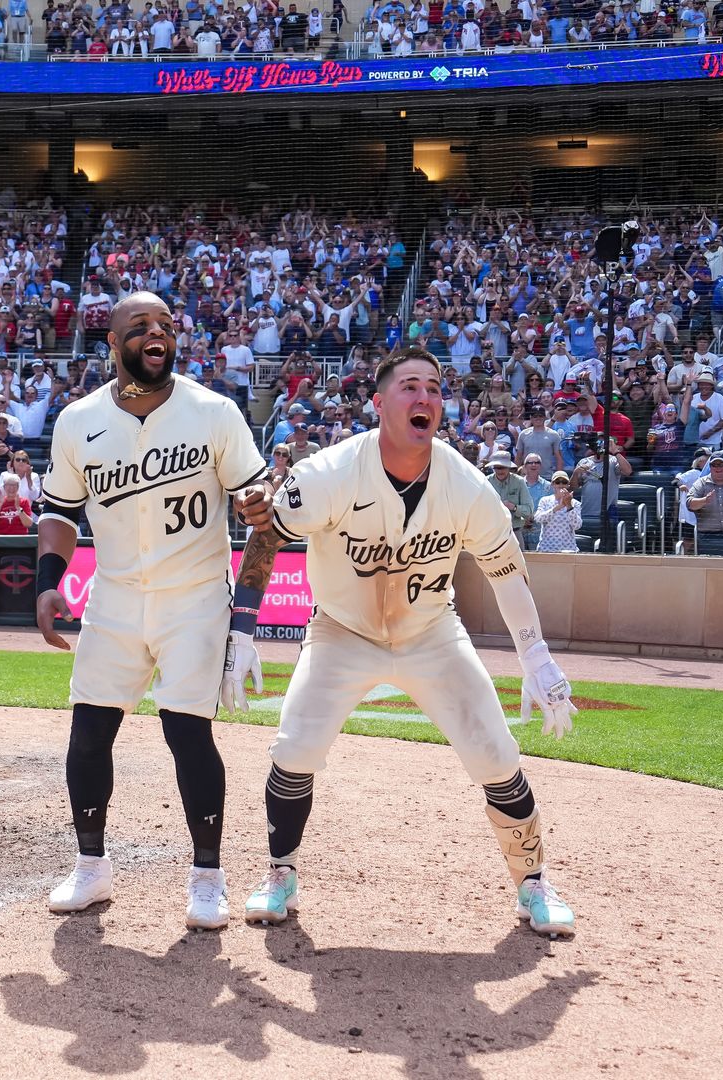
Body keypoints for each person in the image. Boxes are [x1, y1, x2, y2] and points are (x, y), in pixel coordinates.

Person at [229, 347, 580, 937]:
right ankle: (280, 873)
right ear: (379, 403)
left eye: (435, 390)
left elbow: (507, 575)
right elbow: (266, 535)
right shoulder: (331, 471)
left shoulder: (466, 485)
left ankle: (533, 882)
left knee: (496, 754)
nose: (425, 398)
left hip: (430, 631)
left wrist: (537, 659)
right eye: (410, 387)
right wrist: (240, 630)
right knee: (294, 749)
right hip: (340, 630)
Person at [33, 291, 269, 930]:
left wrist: (244, 618)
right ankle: (91, 866)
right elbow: (57, 512)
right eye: (139, 326)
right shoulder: (78, 420)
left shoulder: (215, 413)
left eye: (165, 324)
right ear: (112, 344)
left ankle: (208, 877)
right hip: (112, 594)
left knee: (187, 731)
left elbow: (264, 519)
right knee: (88, 733)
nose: (156, 333)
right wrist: (49, 581)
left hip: (193, 597)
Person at [485, 450, 534, 540]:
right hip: (492, 533)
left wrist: (514, 507)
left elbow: (529, 510)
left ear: (508, 467)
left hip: (514, 532)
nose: (500, 471)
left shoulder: (519, 482)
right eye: (497, 467)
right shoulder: (486, 482)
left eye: (503, 467)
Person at [531, 471, 583, 553]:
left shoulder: (575, 503)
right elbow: (538, 518)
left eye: (564, 482)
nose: (561, 485)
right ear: (553, 484)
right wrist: (558, 507)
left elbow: (577, 526)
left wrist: (569, 506)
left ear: (568, 485)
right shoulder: (545, 500)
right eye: (558, 482)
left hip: (568, 549)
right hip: (546, 549)